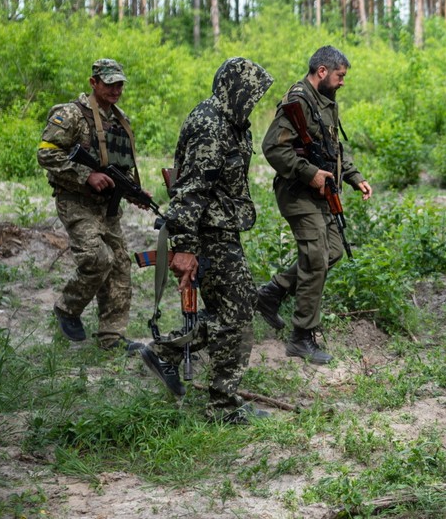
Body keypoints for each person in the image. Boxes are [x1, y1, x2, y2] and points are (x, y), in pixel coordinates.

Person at [137, 57, 275, 425]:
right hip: (206, 233)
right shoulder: (211, 126)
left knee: (237, 308)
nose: (255, 102)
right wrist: (184, 247)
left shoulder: (231, 122)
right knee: (236, 314)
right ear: (236, 91)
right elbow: (190, 189)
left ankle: (164, 353)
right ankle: (222, 407)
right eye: (252, 94)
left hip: (220, 228)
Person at [255, 46, 373, 364]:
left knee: (332, 251)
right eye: (339, 76)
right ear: (322, 71)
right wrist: (310, 174)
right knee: (316, 258)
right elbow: (272, 148)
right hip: (298, 193)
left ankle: (271, 293)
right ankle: (301, 336)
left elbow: (332, 147)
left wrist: (353, 176)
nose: (342, 82)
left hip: (322, 193)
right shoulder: (299, 100)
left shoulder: (325, 101)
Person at [38, 58, 147, 351]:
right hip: (75, 200)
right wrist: (87, 175)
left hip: (107, 205)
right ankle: (67, 308)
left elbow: (119, 168)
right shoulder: (70, 114)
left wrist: (135, 192)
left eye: (119, 83)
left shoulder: (120, 119)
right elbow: (46, 154)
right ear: (94, 83)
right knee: (98, 258)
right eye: (109, 83)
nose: (115, 89)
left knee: (120, 265)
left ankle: (112, 337)